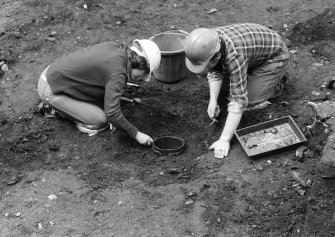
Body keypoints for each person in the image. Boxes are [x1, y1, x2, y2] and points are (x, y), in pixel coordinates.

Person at [184, 23, 290, 159]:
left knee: (249, 99)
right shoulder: (209, 42)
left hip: (274, 56)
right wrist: (213, 100)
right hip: (252, 53)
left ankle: (278, 79)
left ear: (216, 57)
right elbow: (214, 70)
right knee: (225, 89)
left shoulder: (234, 55)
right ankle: (252, 73)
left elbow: (238, 102)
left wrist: (224, 139)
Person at [37, 39, 161, 146]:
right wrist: (137, 134)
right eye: (143, 74)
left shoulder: (119, 48)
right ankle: (54, 109)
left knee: (105, 100)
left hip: (53, 74)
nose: (140, 78)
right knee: (100, 120)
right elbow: (112, 113)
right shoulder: (118, 73)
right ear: (141, 65)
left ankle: (64, 104)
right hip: (50, 88)